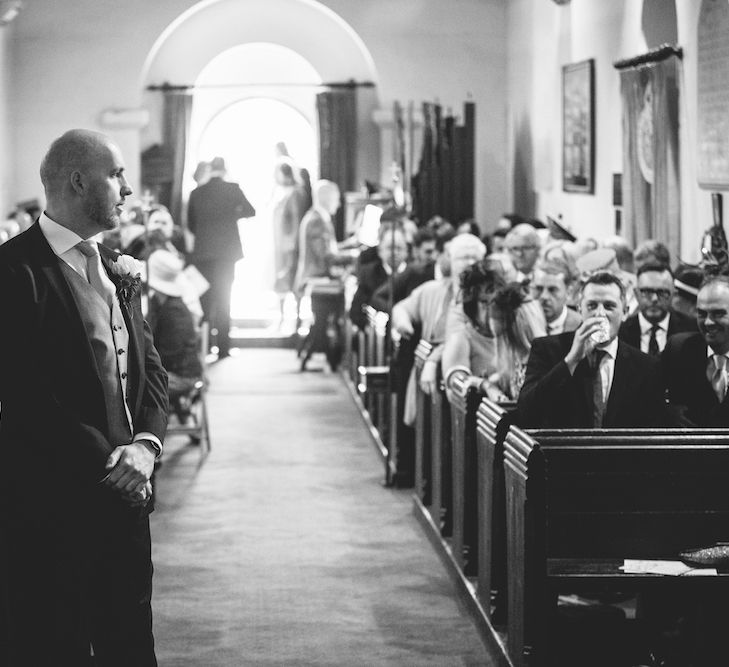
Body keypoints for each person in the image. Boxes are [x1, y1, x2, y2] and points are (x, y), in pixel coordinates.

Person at [0, 129, 168, 665]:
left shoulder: (117, 268)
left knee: (130, 641)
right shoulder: (13, 271)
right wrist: (112, 463)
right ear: (77, 181)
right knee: (57, 644)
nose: (127, 188)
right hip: (53, 504)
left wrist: (145, 446)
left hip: (128, 498)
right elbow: (26, 393)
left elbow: (151, 370)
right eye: (116, 174)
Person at [518, 271, 665, 428]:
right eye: (592, 305)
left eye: (609, 306)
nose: (600, 314)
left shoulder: (646, 366)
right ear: (580, 310)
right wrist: (570, 361)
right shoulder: (547, 349)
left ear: (625, 312)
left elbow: (652, 428)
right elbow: (526, 411)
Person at [187, 156, 255, 358]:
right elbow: (251, 211)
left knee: (206, 299)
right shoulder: (233, 189)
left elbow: (191, 224)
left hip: (204, 252)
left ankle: (206, 346)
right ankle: (224, 349)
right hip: (227, 253)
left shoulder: (196, 193)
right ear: (225, 170)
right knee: (225, 298)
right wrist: (233, 213)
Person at [146, 249, 204, 422]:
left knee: (134, 388)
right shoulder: (161, 303)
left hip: (183, 376)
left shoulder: (174, 311)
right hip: (175, 370)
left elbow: (170, 353)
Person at [663, 275, 729, 426]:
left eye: (718, 313)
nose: (708, 322)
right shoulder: (679, 350)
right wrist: (668, 411)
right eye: (702, 313)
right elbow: (646, 391)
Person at [618, 262, 697, 355]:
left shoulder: (692, 330)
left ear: (673, 294)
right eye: (647, 292)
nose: (654, 299)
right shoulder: (620, 333)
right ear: (636, 294)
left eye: (662, 292)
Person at [348, 223, 408, 330]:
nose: (395, 253)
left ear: (407, 251)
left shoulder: (414, 274)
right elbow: (356, 312)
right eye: (390, 248)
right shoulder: (368, 273)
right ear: (380, 250)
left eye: (399, 248)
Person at [271, 158, 306, 321]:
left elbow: (296, 219)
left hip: (289, 245)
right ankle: (281, 317)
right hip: (280, 243)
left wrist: (292, 244)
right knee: (280, 281)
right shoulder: (282, 192)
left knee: (290, 280)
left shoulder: (296, 193)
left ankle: (295, 319)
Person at [530, 260, 581, 335]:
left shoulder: (580, 327)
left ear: (568, 292)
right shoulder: (519, 323)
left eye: (552, 290)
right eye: (539, 288)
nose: (544, 296)